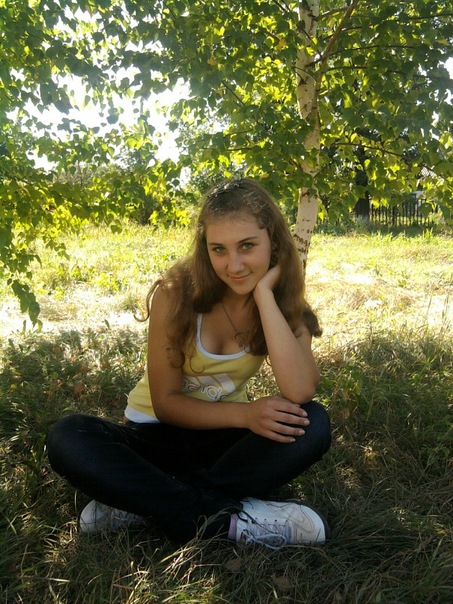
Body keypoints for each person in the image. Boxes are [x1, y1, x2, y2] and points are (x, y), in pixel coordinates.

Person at [47, 178, 331, 549]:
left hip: (220, 443)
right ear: (205, 248)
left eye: (247, 246)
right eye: (219, 249)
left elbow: (300, 390)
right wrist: (246, 414)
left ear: (273, 242)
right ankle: (225, 520)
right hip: (152, 437)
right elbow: (166, 404)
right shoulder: (175, 293)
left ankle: (146, 500)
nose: (234, 265)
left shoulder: (285, 305)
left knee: (313, 423)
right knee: (68, 436)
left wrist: (264, 296)